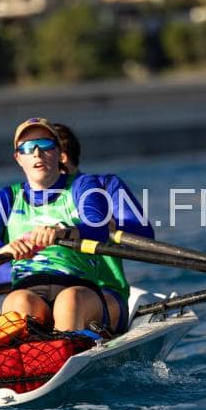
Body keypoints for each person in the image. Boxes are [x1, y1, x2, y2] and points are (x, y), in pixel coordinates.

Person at [0, 118, 119, 332]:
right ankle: (41, 347)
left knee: (69, 301)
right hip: (28, 288)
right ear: (18, 158)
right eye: (28, 147)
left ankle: (66, 345)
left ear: (59, 152)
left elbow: (99, 229)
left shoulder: (83, 186)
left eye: (45, 145)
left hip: (80, 289)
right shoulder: (5, 199)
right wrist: (3, 251)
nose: (37, 153)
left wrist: (63, 231)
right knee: (19, 303)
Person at [53, 122, 155, 333]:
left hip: (103, 292)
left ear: (61, 157)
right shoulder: (24, 199)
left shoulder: (105, 186)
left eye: (41, 150)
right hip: (45, 290)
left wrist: (108, 225)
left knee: (72, 301)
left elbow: (145, 237)